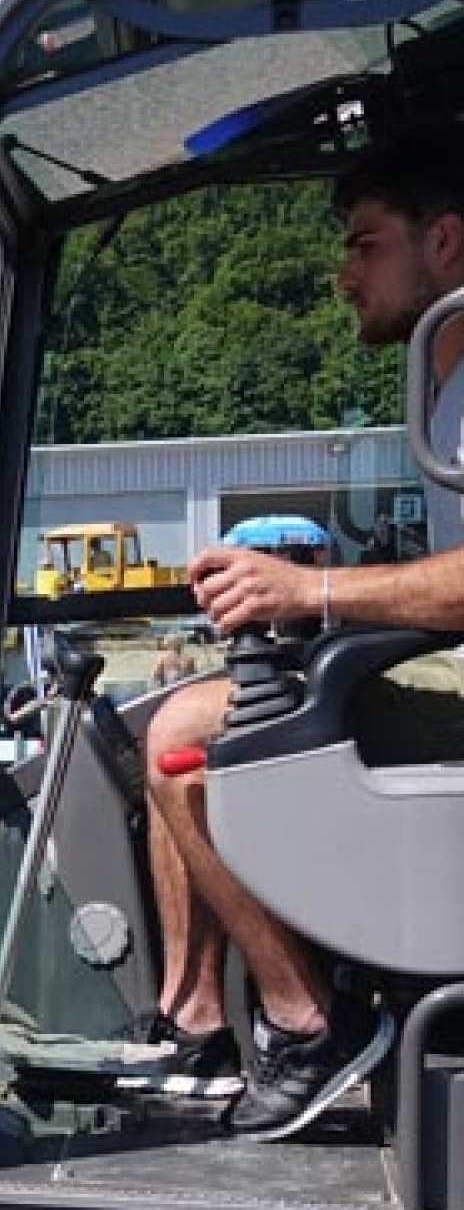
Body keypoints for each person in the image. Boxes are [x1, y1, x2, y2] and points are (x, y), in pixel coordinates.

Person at [140, 128, 464, 1140]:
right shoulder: (440, 392)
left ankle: (309, 1022)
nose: (341, 275)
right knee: (169, 712)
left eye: (365, 244)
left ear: (444, 244)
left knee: (183, 744)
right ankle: (189, 1017)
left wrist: (310, 592)